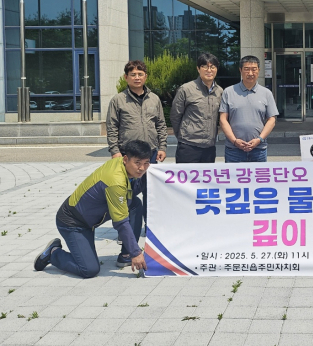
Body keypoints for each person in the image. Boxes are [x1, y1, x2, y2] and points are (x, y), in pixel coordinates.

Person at [34, 140, 151, 278]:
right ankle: (53, 253)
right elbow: (120, 222)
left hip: (89, 218)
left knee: (134, 203)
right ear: (126, 159)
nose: (142, 168)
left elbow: (131, 193)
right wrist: (136, 253)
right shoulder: (115, 181)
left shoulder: (122, 165)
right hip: (73, 222)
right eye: (137, 163)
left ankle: (126, 254)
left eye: (146, 163)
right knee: (89, 269)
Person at [106, 60, 167, 229]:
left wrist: (162, 147)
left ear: (146, 77)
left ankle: (150, 227)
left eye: (140, 74)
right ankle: (126, 229)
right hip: (128, 155)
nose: (137, 77)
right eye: (133, 74)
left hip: (150, 154)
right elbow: (112, 127)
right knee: (126, 194)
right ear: (126, 77)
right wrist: (115, 151)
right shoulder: (118, 100)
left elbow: (161, 125)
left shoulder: (154, 99)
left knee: (150, 192)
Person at [219, 55, 279, 163]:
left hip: (259, 150)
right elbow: (223, 120)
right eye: (246, 69)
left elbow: (272, 120)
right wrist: (234, 141)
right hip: (233, 150)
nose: (250, 73)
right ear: (240, 70)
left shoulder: (266, 93)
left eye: (254, 69)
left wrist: (259, 139)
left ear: (259, 70)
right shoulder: (228, 92)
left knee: (259, 175)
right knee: (233, 175)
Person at [170, 53, 223, 163]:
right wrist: (182, 135)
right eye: (205, 66)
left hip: (209, 147)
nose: (209, 70)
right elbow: (175, 115)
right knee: (185, 175)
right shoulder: (186, 89)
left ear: (217, 69)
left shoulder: (219, 91)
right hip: (188, 146)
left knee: (207, 175)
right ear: (198, 69)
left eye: (212, 67)